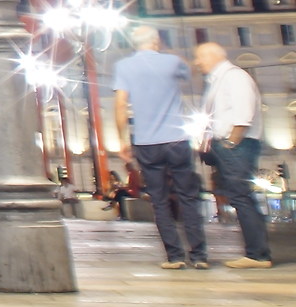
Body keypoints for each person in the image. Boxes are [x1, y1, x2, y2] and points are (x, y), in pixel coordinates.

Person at [113, 25, 207, 268]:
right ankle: (199, 256)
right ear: (155, 41)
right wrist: (164, 50)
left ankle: (174, 256)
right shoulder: (172, 61)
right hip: (176, 139)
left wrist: (123, 140)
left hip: (147, 142)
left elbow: (121, 105)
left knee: (159, 200)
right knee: (188, 196)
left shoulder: (123, 67)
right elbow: (193, 73)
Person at [194, 41, 273, 269]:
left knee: (241, 197)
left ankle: (258, 254)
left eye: (200, 57)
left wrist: (229, 143)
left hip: (238, 146)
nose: (197, 62)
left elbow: (243, 114)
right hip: (229, 146)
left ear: (213, 56)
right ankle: (256, 252)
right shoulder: (220, 80)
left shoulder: (234, 77)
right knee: (239, 196)